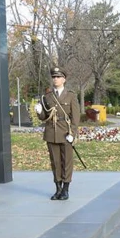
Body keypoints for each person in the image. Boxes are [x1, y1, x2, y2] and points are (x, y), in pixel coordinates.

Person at [36, 66, 81, 200]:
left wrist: (72, 133)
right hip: (51, 132)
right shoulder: (47, 96)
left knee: (66, 162)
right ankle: (58, 189)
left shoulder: (71, 96)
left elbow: (75, 117)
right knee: (55, 162)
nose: (55, 79)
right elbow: (45, 116)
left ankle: (65, 189)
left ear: (64, 79)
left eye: (58, 77)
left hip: (65, 133)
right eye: (54, 77)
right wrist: (39, 112)